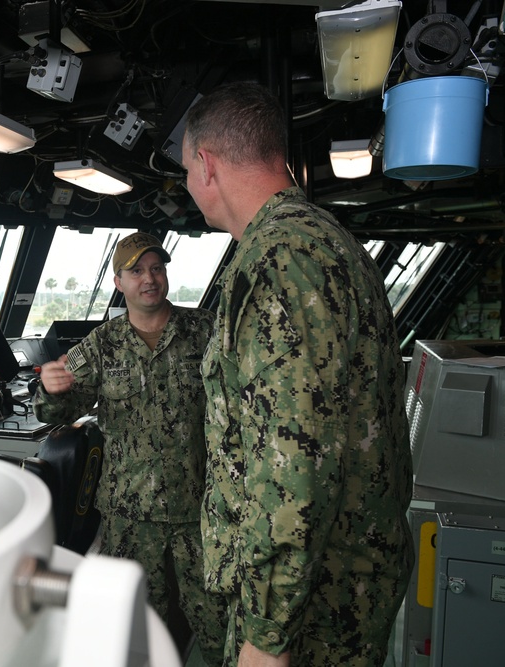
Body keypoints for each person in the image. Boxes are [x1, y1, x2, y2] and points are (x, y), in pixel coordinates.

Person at [181, 81, 414, 667]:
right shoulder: (329, 243)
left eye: (186, 169)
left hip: (313, 610)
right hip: (343, 582)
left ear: (206, 164)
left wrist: (266, 633)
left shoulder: (278, 263)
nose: (187, 186)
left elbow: (294, 465)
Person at [32, 232, 225, 663]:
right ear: (119, 283)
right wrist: (50, 388)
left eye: (156, 268)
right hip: (130, 514)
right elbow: (58, 412)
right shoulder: (100, 345)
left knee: (220, 626)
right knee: (134, 629)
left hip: (202, 509)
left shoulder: (207, 330)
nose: (149, 278)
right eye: (136, 271)